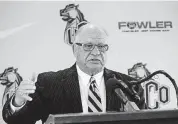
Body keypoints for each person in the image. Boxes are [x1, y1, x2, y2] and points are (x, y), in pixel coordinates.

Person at [2, 23, 146, 124]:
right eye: (88, 46)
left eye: (102, 46)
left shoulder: (128, 85)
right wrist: (18, 102)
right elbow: (19, 121)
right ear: (75, 50)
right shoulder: (49, 83)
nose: (96, 52)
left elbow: (148, 120)